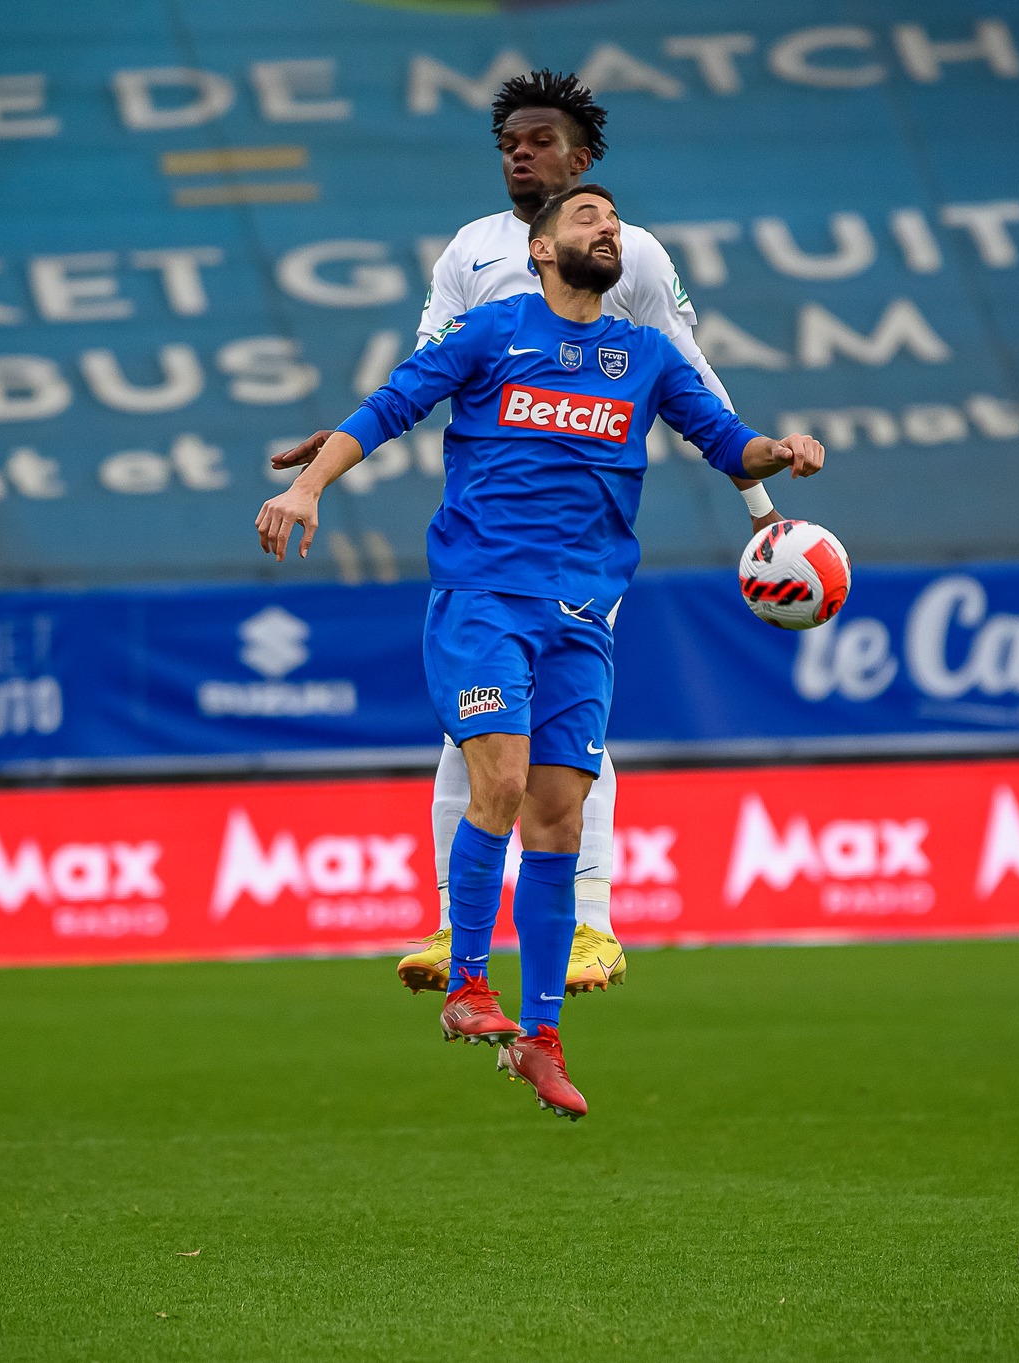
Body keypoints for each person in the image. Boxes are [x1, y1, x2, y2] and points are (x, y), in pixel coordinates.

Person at [257, 185, 826, 1119]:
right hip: (486, 599)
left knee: (559, 813)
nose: (607, 227)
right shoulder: (491, 332)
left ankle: (541, 1037)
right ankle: (467, 987)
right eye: (586, 217)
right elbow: (389, 406)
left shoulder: (645, 355)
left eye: (612, 218)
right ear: (541, 251)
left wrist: (781, 448)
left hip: (584, 618)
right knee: (505, 780)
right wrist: (312, 487)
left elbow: (729, 445)